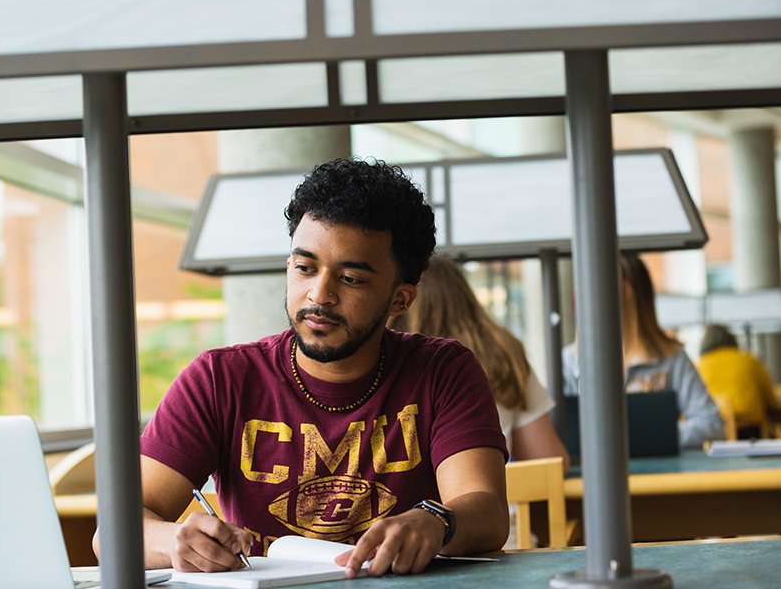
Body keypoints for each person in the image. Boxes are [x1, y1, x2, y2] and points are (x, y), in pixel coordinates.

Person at [92, 158, 509, 577]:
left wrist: (436, 521)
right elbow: (113, 531)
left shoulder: (443, 370)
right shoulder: (220, 379)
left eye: (350, 278)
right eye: (304, 268)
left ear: (400, 300)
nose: (319, 294)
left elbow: (487, 511)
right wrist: (173, 541)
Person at [391, 255, 569, 548]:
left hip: (408, 548)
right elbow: (552, 460)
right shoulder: (505, 353)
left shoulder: (399, 369)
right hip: (507, 544)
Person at [562, 253, 724, 450]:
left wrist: (654, 437)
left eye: (594, 285)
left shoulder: (671, 358)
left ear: (626, 291)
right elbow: (557, 432)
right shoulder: (571, 361)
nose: (585, 297)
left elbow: (711, 423)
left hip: (657, 477)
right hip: (592, 477)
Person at [697, 324, 781, 439]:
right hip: (751, 429)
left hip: (716, 430)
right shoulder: (749, 360)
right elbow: (768, 396)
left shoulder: (700, 365)